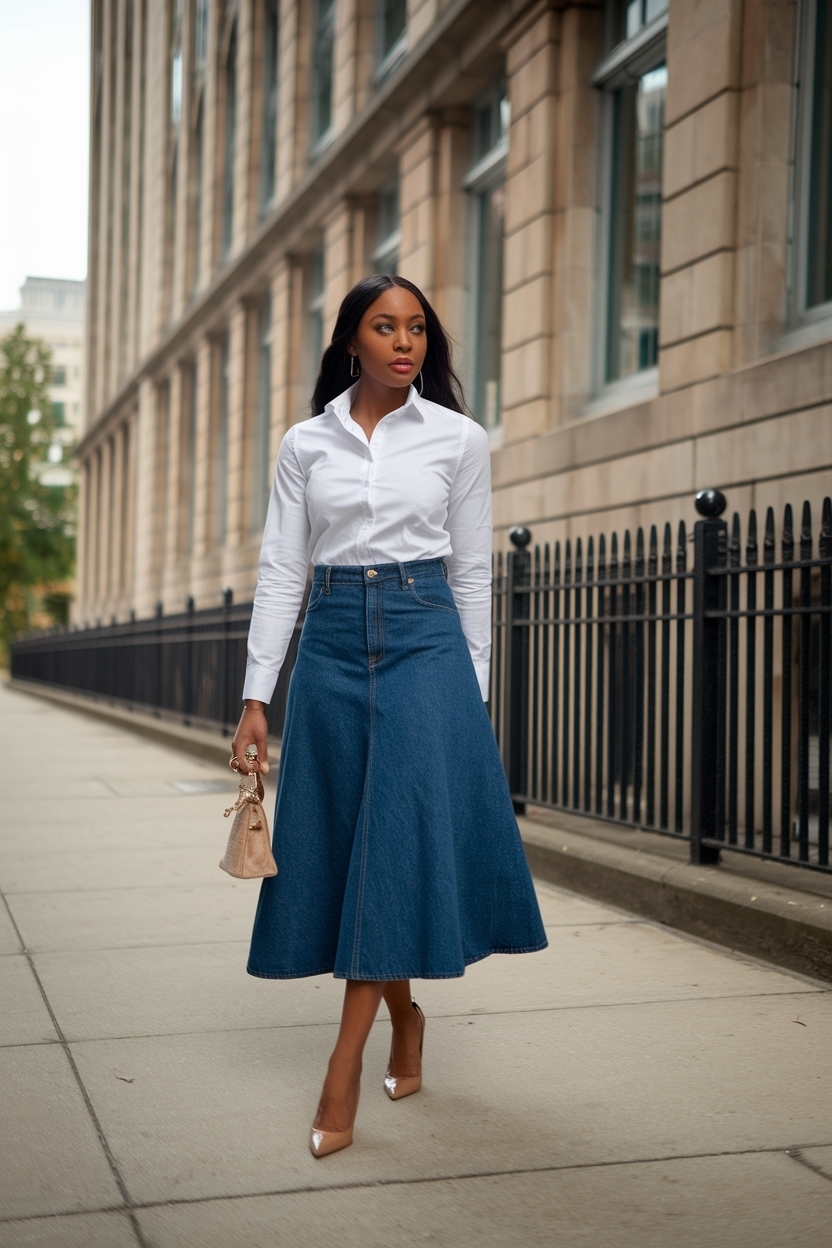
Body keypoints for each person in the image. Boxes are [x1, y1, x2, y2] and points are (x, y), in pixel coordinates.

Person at [231, 274, 547, 1158]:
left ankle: (343, 1068)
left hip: (425, 643)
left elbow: (473, 573)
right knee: (358, 848)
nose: (404, 342)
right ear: (351, 342)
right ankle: (406, 1019)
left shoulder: (458, 439)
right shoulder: (306, 444)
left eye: (416, 328)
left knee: (395, 839)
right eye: (384, 326)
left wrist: (467, 697)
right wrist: (256, 697)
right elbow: (282, 571)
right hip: (331, 643)